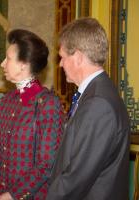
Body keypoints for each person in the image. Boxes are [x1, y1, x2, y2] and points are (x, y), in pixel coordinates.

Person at [46, 17, 130, 200]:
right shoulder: (98, 93)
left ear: (77, 57)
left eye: (62, 57)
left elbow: (77, 177)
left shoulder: (98, 103)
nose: (60, 64)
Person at [0, 29, 64, 200]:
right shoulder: (7, 100)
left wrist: (12, 195)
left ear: (24, 64)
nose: (2, 64)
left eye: (7, 58)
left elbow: (46, 164)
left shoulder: (49, 104)